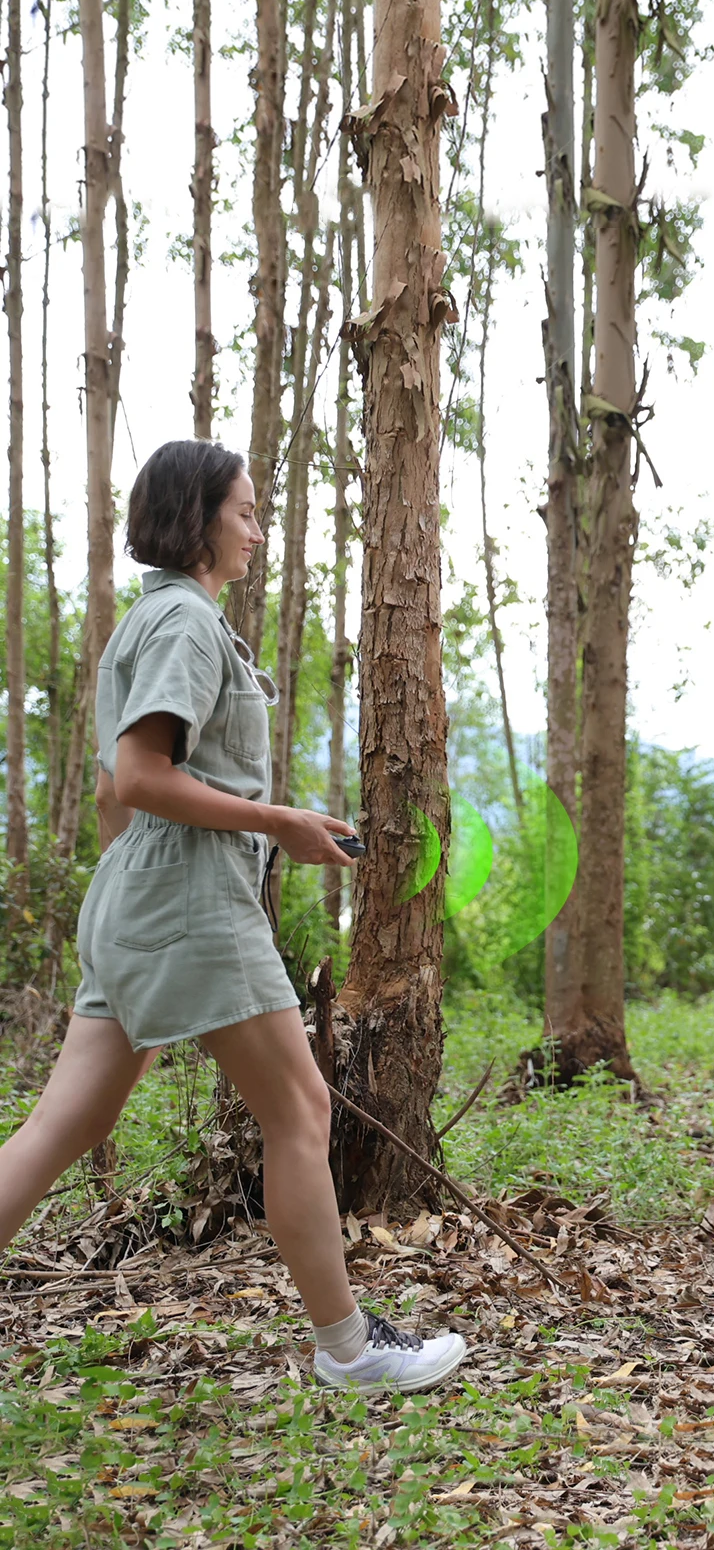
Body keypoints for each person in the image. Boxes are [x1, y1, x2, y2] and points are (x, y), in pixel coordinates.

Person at [0, 439, 466, 1393]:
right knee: (302, 1109)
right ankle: (348, 1350)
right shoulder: (184, 625)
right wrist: (276, 824)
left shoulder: (150, 622)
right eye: (246, 513)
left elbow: (110, 798)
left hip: (135, 894)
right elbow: (140, 777)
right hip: (188, 901)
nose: (257, 529)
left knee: (58, 1129)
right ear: (198, 518)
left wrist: (182, 868)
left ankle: (347, 1345)